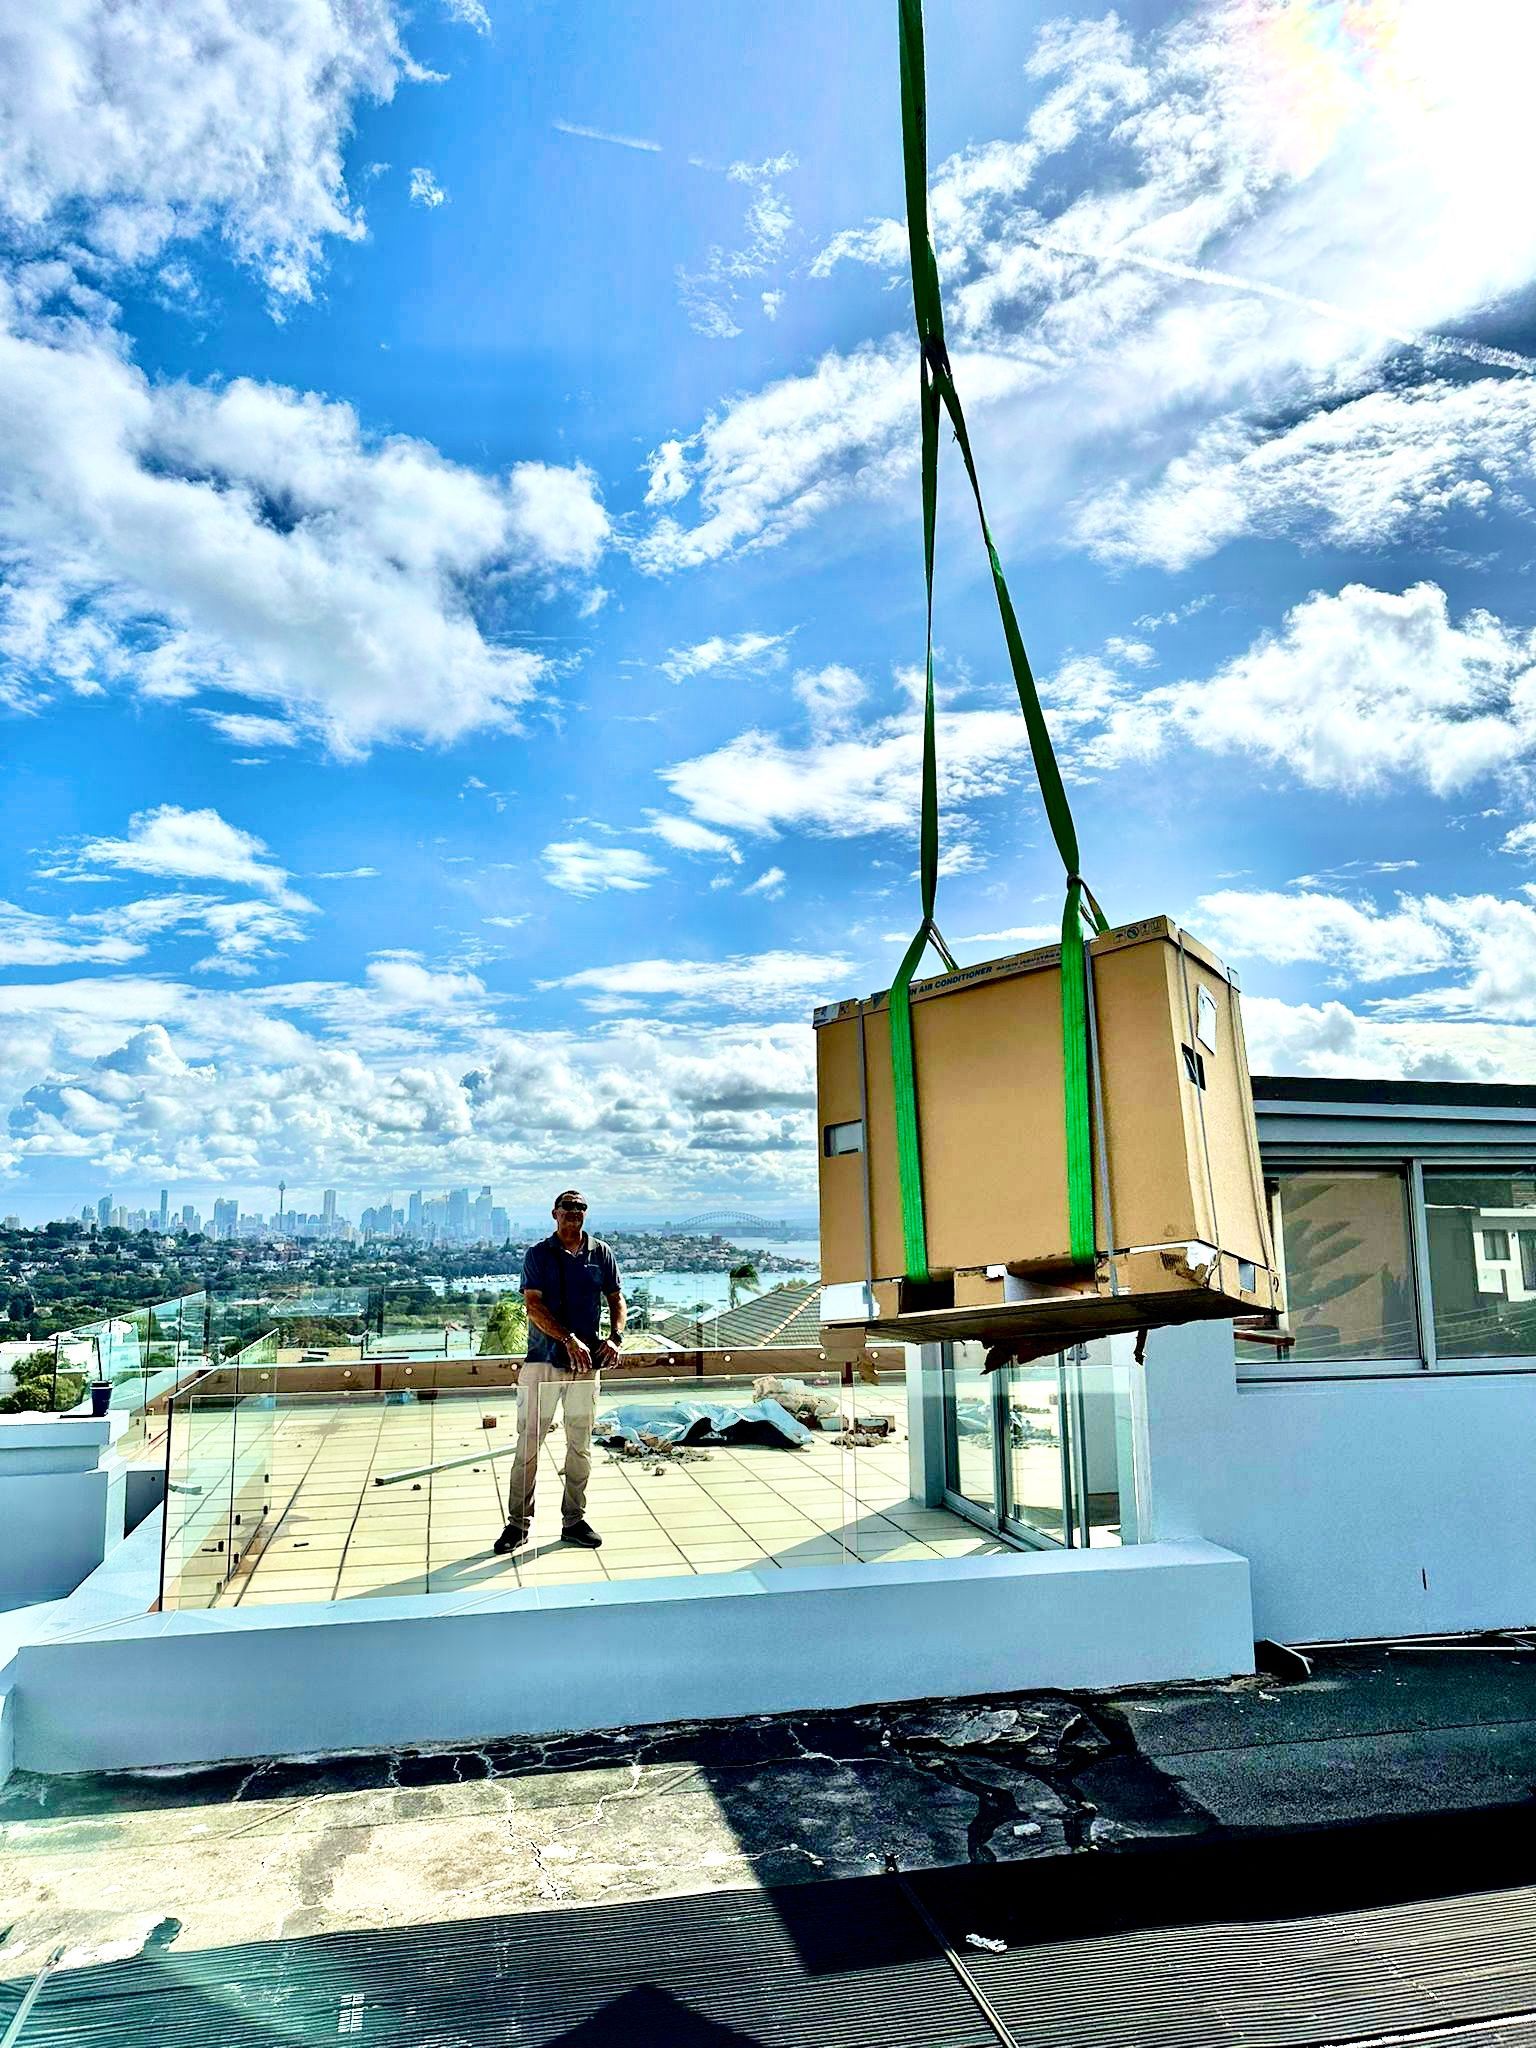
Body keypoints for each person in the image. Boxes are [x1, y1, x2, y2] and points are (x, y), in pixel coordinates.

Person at [495, 1189, 624, 1553]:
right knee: (528, 1446)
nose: (574, 1213)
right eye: (568, 1208)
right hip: (542, 1363)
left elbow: (616, 1298)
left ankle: (574, 1520)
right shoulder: (538, 1254)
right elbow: (532, 1307)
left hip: (586, 1368)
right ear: (555, 1213)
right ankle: (517, 1524)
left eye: (581, 1208)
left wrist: (615, 1338)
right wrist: (568, 1338)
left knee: (579, 1446)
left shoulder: (602, 1254)